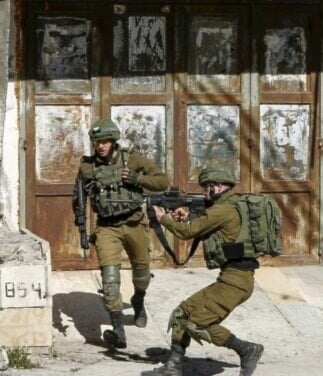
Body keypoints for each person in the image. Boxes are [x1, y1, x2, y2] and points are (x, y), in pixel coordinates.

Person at [143, 169, 263, 376]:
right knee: (182, 314)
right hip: (231, 277)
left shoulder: (222, 210)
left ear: (218, 186)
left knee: (196, 324)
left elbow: (188, 232)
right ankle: (173, 367)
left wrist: (163, 219)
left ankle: (247, 349)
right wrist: (189, 214)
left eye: (206, 188)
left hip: (236, 281)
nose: (204, 193)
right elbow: (211, 225)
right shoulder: (231, 206)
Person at [72, 118, 170, 348]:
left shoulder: (132, 159)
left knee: (142, 274)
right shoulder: (87, 167)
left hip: (135, 222)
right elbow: (78, 199)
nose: (101, 146)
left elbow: (163, 181)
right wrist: (82, 230)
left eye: (105, 141)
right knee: (110, 278)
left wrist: (139, 179)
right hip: (107, 226)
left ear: (113, 141)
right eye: (97, 142)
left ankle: (138, 299)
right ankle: (117, 330)